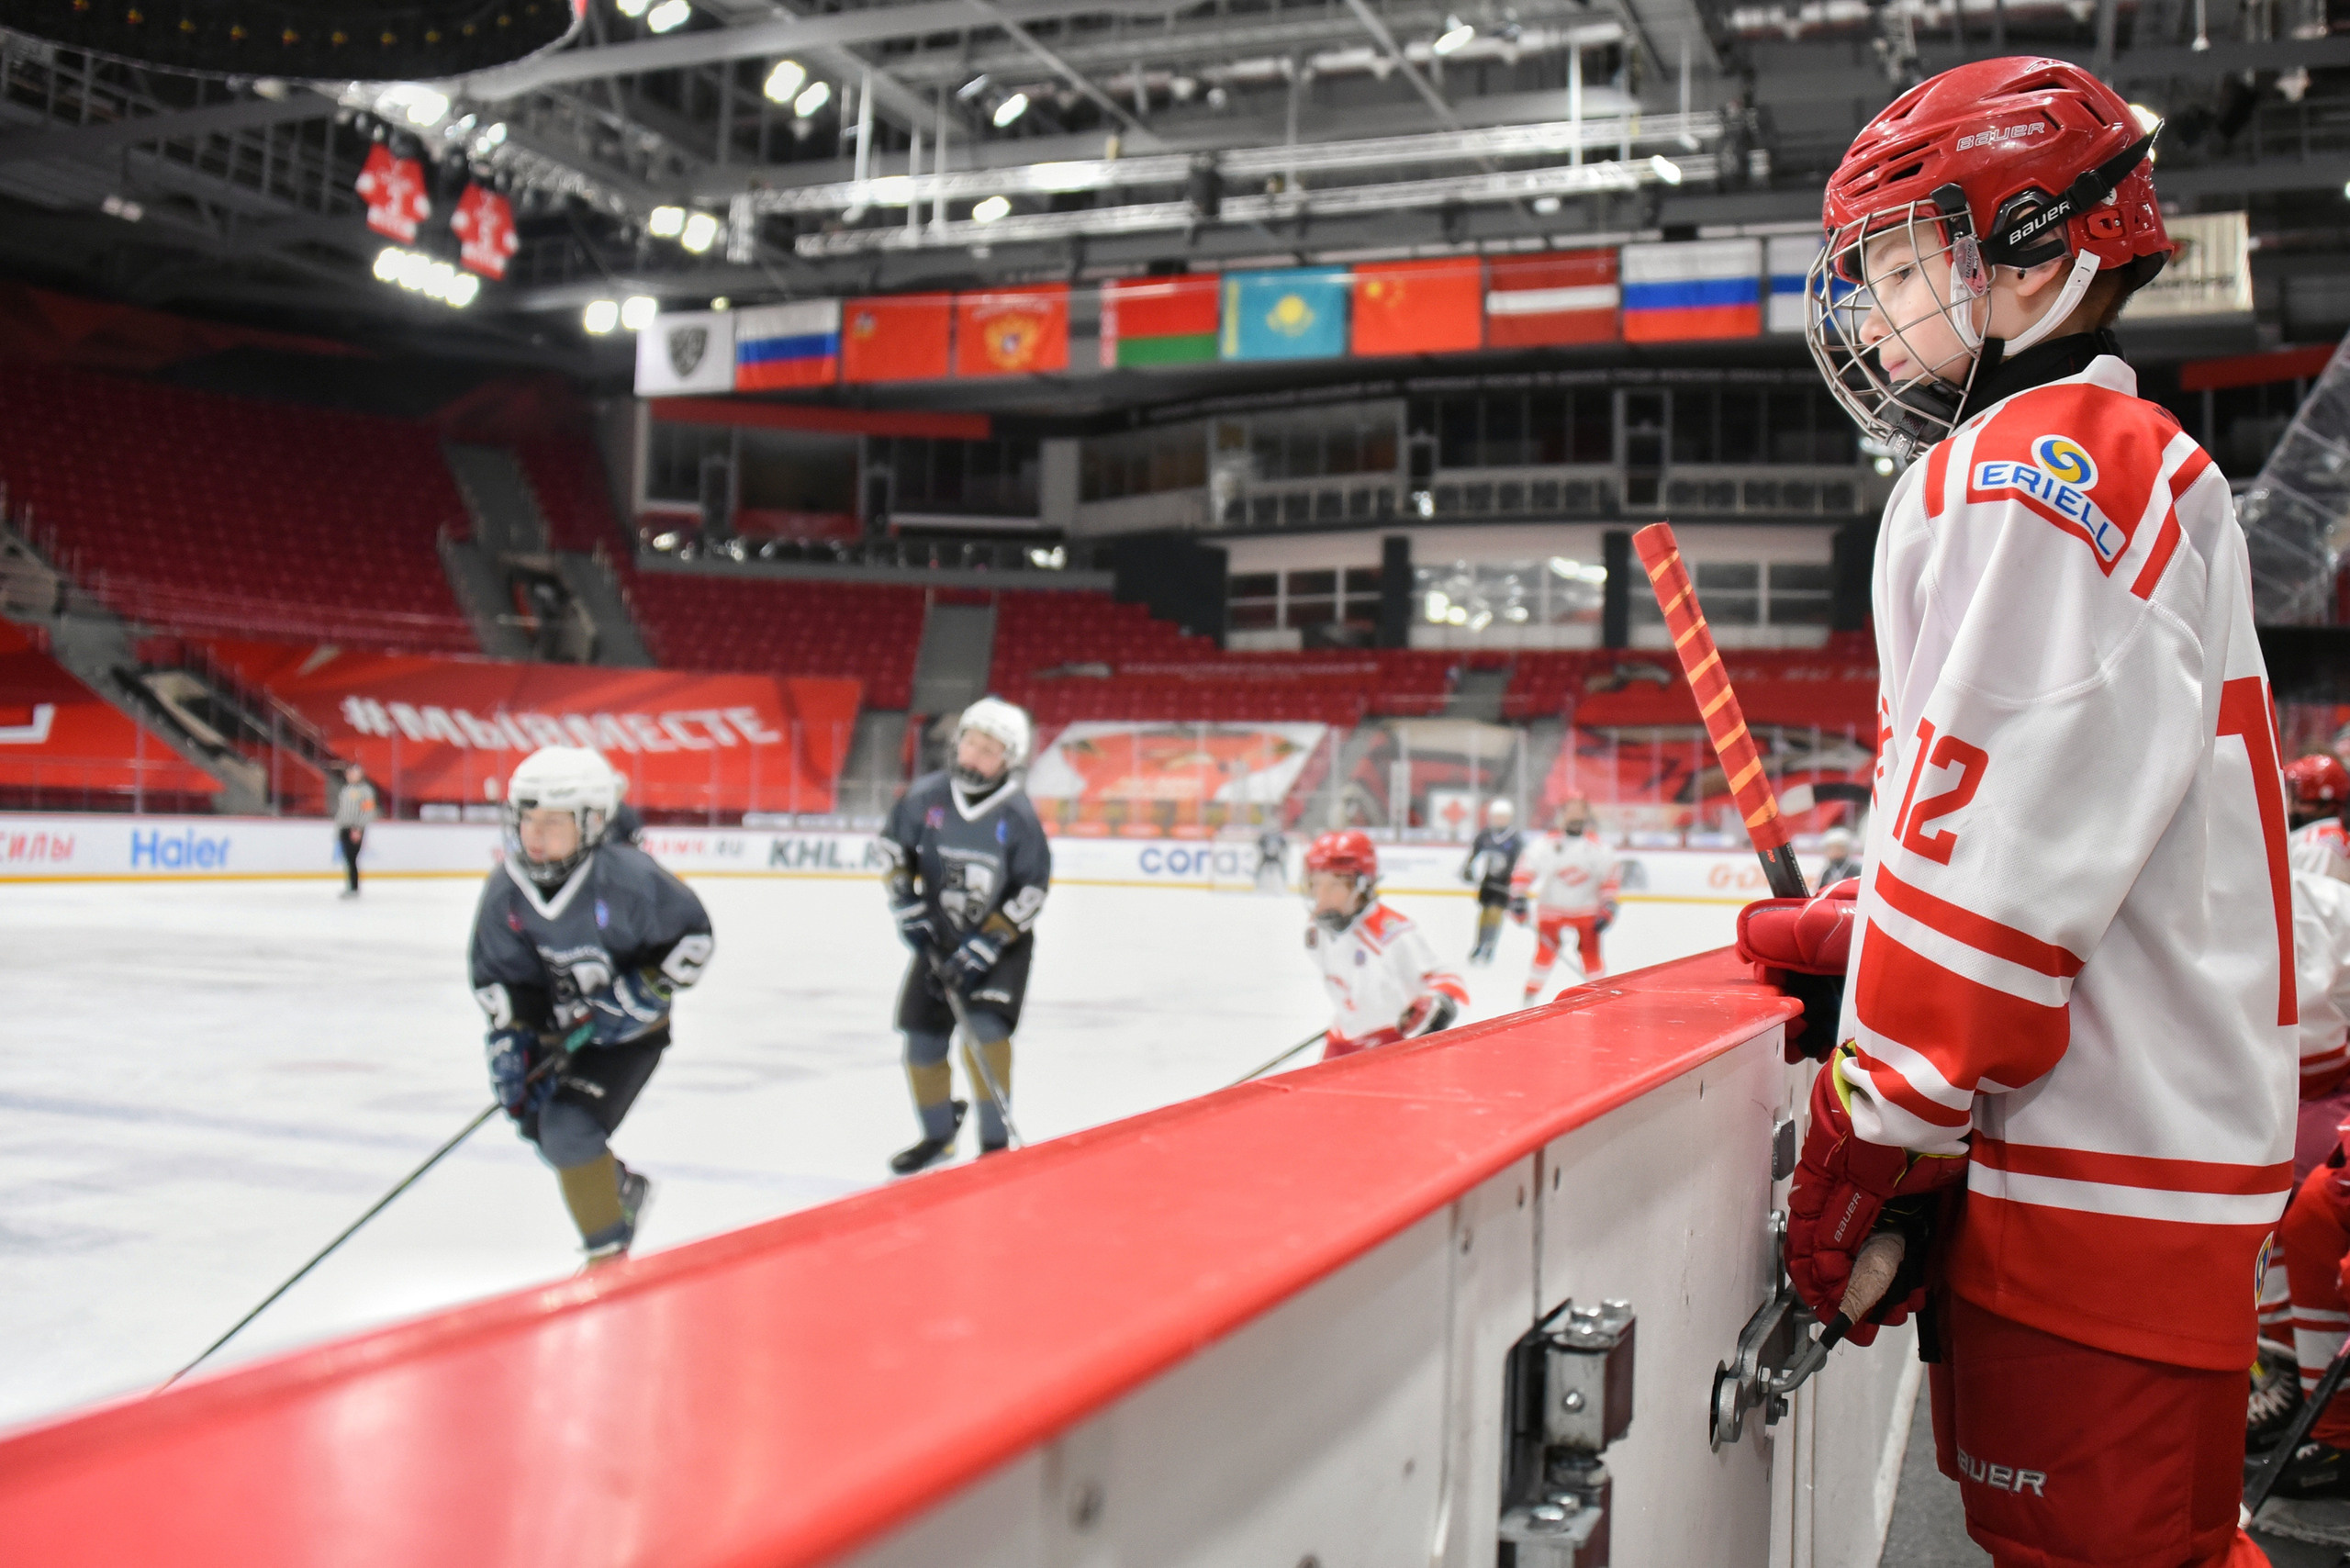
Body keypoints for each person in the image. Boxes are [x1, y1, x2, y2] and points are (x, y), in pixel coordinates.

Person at [1760, 55, 2287, 1568]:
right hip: (2134, 1171)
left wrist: (1879, 1122)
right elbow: (2048, 821)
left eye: (1902, 265)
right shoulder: (2110, 460)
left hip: (2094, 1183)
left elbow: (1994, 862)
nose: (1875, 315)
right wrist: (1876, 928)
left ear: (2034, 250)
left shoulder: (2037, 469)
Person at [468, 746, 713, 1263]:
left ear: (593, 822)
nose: (535, 834)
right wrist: (514, 1036)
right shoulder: (506, 892)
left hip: (628, 1038)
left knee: (568, 1130)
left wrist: (643, 991)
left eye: (553, 822)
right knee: (535, 1120)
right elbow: (503, 978)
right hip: (562, 1032)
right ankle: (618, 1186)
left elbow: (691, 941)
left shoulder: (629, 879)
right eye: (527, 819)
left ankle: (607, 1253)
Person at [882, 697, 1051, 1174]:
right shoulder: (926, 796)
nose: (974, 756)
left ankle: (995, 1144)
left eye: (989, 750)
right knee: (921, 1039)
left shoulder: (1017, 816)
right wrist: (907, 904)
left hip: (1001, 947)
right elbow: (892, 848)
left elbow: (1031, 889)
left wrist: (987, 945)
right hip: (940, 936)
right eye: (971, 744)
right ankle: (938, 1135)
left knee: (985, 1033)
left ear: (1009, 759)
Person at [1302, 830, 1466, 1058]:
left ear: (1361, 886)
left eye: (1334, 886)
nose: (1321, 895)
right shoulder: (1316, 933)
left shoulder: (1390, 935)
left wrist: (1437, 1003)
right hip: (1343, 1037)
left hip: (1392, 1041)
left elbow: (1448, 979)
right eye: (1316, 884)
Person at [1509, 798, 1619, 1002]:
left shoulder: (1599, 847)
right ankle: (1529, 998)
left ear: (1586, 815)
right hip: (1551, 909)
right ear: (1562, 814)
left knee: (1591, 954)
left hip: (1587, 910)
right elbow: (1525, 870)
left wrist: (1609, 906)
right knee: (1545, 953)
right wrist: (1518, 896)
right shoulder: (1545, 844)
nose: (1575, 816)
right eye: (1571, 811)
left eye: (1580, 811)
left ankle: (1600, 997)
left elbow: (1609, 879)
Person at [1460, 799, 1524, 965]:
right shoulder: (1484, 836)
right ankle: (1479, 944)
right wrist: (1467, 870)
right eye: (1497, 816)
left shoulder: (1515, 839)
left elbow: (1520, 864)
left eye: (1503, 816)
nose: (1499, 820)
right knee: (1485, 912)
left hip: (1503, 884)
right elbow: (1473, 856)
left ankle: (1489, 946)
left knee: (1495, 912)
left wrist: (1516, 885)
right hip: (1487, 883)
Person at [2287, 754, 2350, 882]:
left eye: (2291, 796)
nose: (2287, 806)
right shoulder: (2320, 837)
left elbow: (2312, 893)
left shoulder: (2319, 844)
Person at [331, 763, 377, 899]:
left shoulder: (366, 791)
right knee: (347, 859)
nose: (351, 775)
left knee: (352, 858)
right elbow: (341, 811)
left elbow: (368, 811)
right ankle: (350, 886)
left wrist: (358, 828)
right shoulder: (345, 790)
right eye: (350, 773)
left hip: (356, 829)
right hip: (344, 828)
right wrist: (338, 829)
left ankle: (354, 888)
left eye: (355, 773)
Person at [1815, 824, 1862, 888]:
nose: (1834, 851)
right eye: (1830, 848)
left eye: (1838, 848)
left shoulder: (1856, 869)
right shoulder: (1828, 871)